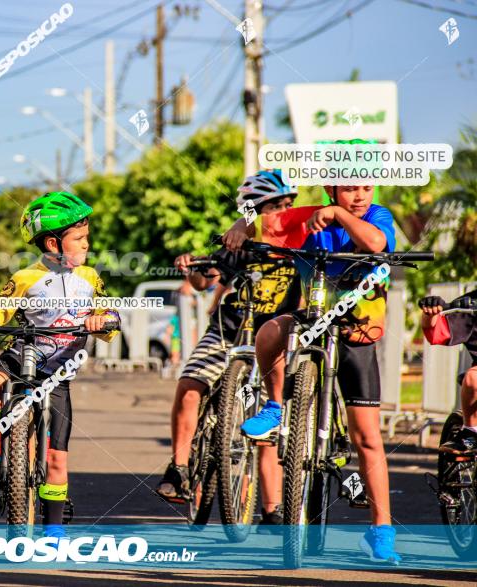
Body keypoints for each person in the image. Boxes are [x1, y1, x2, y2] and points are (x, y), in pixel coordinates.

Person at [225, 177, 403, 564]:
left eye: (366, 188)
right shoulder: (309, 219)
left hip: (357, 333)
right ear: (330, 188)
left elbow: (374, 243)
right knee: (270, 332)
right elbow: (268, 225)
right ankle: (274, 407)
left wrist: (338, 213)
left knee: (368, 437)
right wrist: (241, 225)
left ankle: (381, 531)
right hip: (312, 320)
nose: (360, 196)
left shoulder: (377, 215)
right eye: (350, 189)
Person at [0, 191, 118, 538]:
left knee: (57, 458)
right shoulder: (27, 277)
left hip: (58, 372)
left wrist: (103, 320)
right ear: (53, 244)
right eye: (80, 239)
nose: (87, 244)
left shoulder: (89, 278)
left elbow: (107, 309)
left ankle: (53, 530)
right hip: (24, 355)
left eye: (86, 237)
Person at [155, 170, 300, 533]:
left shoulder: (301, 242)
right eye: (273, 206)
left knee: (267, 421)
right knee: (190, 384)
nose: (282, 212)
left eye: (287, 205)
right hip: (228, 331)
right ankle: (180, 466)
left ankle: (271, 509)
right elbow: (206, 280)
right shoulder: (241, 241)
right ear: (254, 211)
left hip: (275, 342)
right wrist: (192, 269)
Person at [420, 290, 477, 453]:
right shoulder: (470, 304)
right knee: (473, 377)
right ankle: (471, 433)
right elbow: (436, 332)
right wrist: (430, 313)